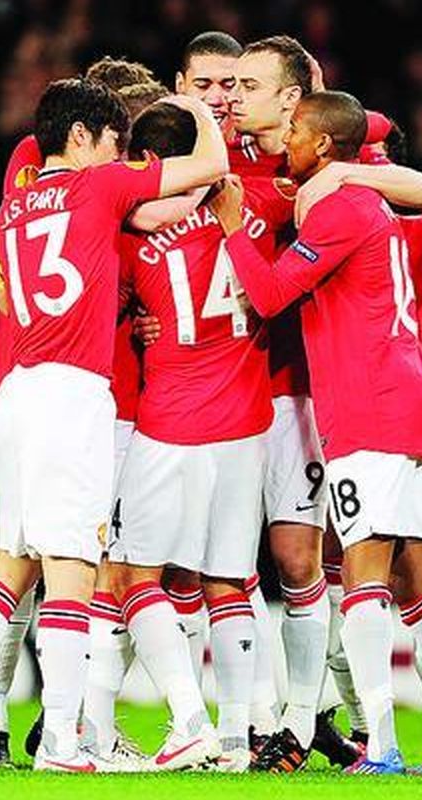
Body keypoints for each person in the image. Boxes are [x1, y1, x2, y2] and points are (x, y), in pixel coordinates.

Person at [0, 79, 228, 773]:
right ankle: (62, 742)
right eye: (114, 141)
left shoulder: (9, 209)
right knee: (74, 570)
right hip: (72, 393)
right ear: (81, 137)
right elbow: (209, 167)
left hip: (17, 392)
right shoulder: (100, 188)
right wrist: (200, 103)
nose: (121, 153)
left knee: (7, 568)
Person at [212, 90, 422, 776]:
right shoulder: (387, 216)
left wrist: (231, 227)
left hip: (368, 409)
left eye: (298, 129)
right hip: (419, 403)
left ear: (326, 147)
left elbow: (274, 294)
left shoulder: (344, 208)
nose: (289, 138)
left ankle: (385, 745)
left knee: (366, 579)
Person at [105, 101, 291, 772]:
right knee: (230, 583)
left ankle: (188, 719)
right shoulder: (261, 204)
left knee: (133, 575)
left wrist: (138, 320)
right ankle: (238, 739)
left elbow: (112, 299)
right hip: (246, 425)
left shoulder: (133, 224)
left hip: (173, 422)